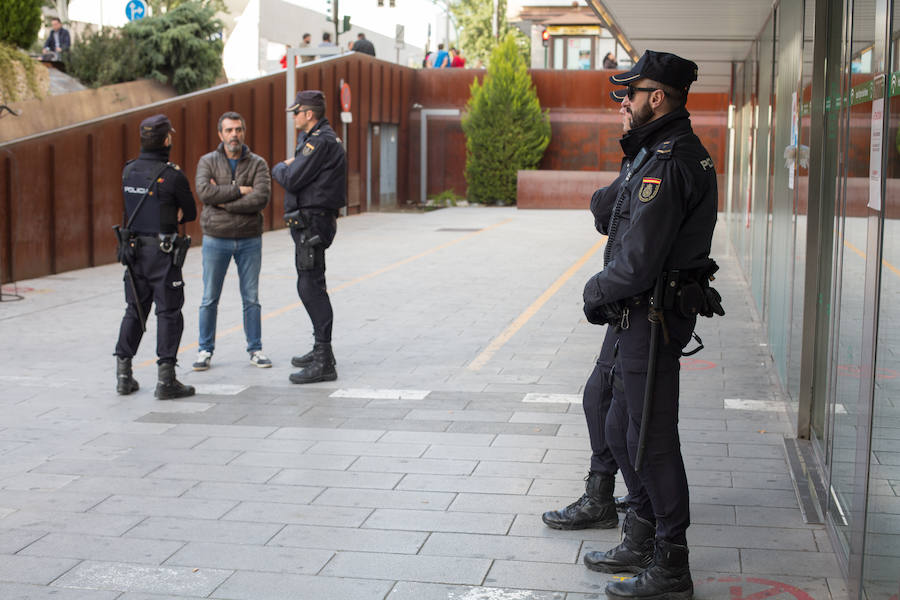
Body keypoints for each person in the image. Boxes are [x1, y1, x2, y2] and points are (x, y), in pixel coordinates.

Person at [580, 50, 722, 600]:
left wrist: (594, 291)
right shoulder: (654, 153)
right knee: (619, 427)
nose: (623, 102)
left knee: (650, 442)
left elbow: (636, 261)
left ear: (655, 97)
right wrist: (632, 149)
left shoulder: (670, 161)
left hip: (652, 312)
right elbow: (605, 212)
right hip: (638, 310)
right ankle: (640, 535)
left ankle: (672, 563)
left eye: (629, 94)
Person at [113, 114, 197, 400]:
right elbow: (192, 213)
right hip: (163, 253)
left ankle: (123, 375)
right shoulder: (172, 175)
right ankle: (166, 380)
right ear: (166, 140)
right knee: (169, 313)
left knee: (134, 310)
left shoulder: (128, 171)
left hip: (134, 251)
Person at [272, 90, 347, 384]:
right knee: (312, 283)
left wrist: (281, 166)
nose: (294, 116)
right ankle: (320, 351)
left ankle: (323, 359)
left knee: (310, 287)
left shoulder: (320, 141)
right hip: (311, 222)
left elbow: (291, 178)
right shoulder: (317, 139)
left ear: (309, 114)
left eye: (296, 112)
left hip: (313, 223)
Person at [192, 111, 272, 372]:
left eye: (238, 129)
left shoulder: (258, 163)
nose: (234, 134)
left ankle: (255, 349)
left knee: (251, 298)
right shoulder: (207, 161)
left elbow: (261, 198)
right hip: (216, 238)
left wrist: (222, 201)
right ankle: (204, 350)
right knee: (209, 297)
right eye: (229, 130)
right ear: (220, 134)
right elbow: (204, 191)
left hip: (249, 239)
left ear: (244, 132)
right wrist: (239, 191)